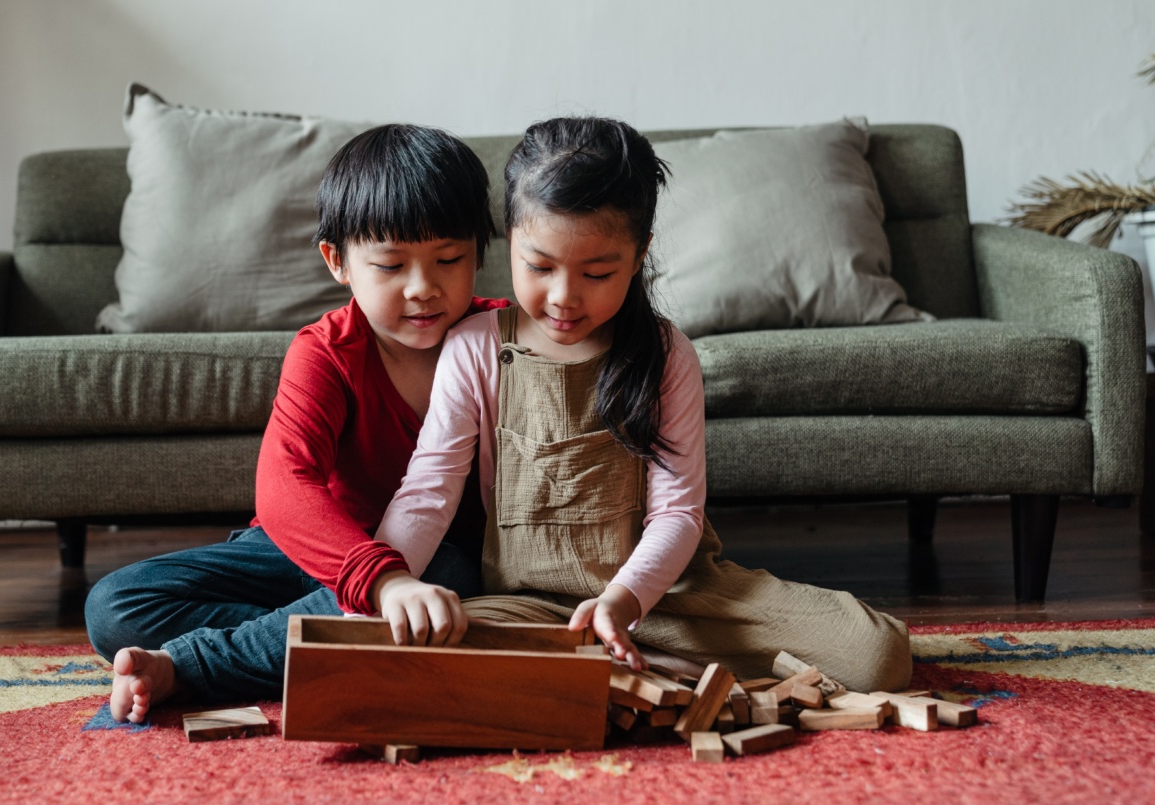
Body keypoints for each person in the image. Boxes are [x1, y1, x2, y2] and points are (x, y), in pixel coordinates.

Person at [374, 116, 912, 693]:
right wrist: (380, 588)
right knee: (414, 656)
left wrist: (622, 600)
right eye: (540, 266)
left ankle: (629, 667)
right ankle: (632, 675)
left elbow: (678, 513)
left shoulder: (665, 354)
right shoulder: (474, 347)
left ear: (638, 255)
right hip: (527, 606)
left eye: (598, 272)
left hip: (668, 599)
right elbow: (428, 492)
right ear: (510, 238)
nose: (563, 297)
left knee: (875, 654)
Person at [85, 124, 506, 723]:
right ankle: (325, 634)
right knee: (113, 606)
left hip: (429, 558)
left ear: (479, 253)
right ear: (338, 262)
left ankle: (198, 664)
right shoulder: (326, 351)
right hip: (317, 553)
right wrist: (380, 583)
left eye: (449, 260)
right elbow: (285, 487)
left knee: (449, 573)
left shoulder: (503, 338)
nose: (423, 288)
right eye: (390, 265)